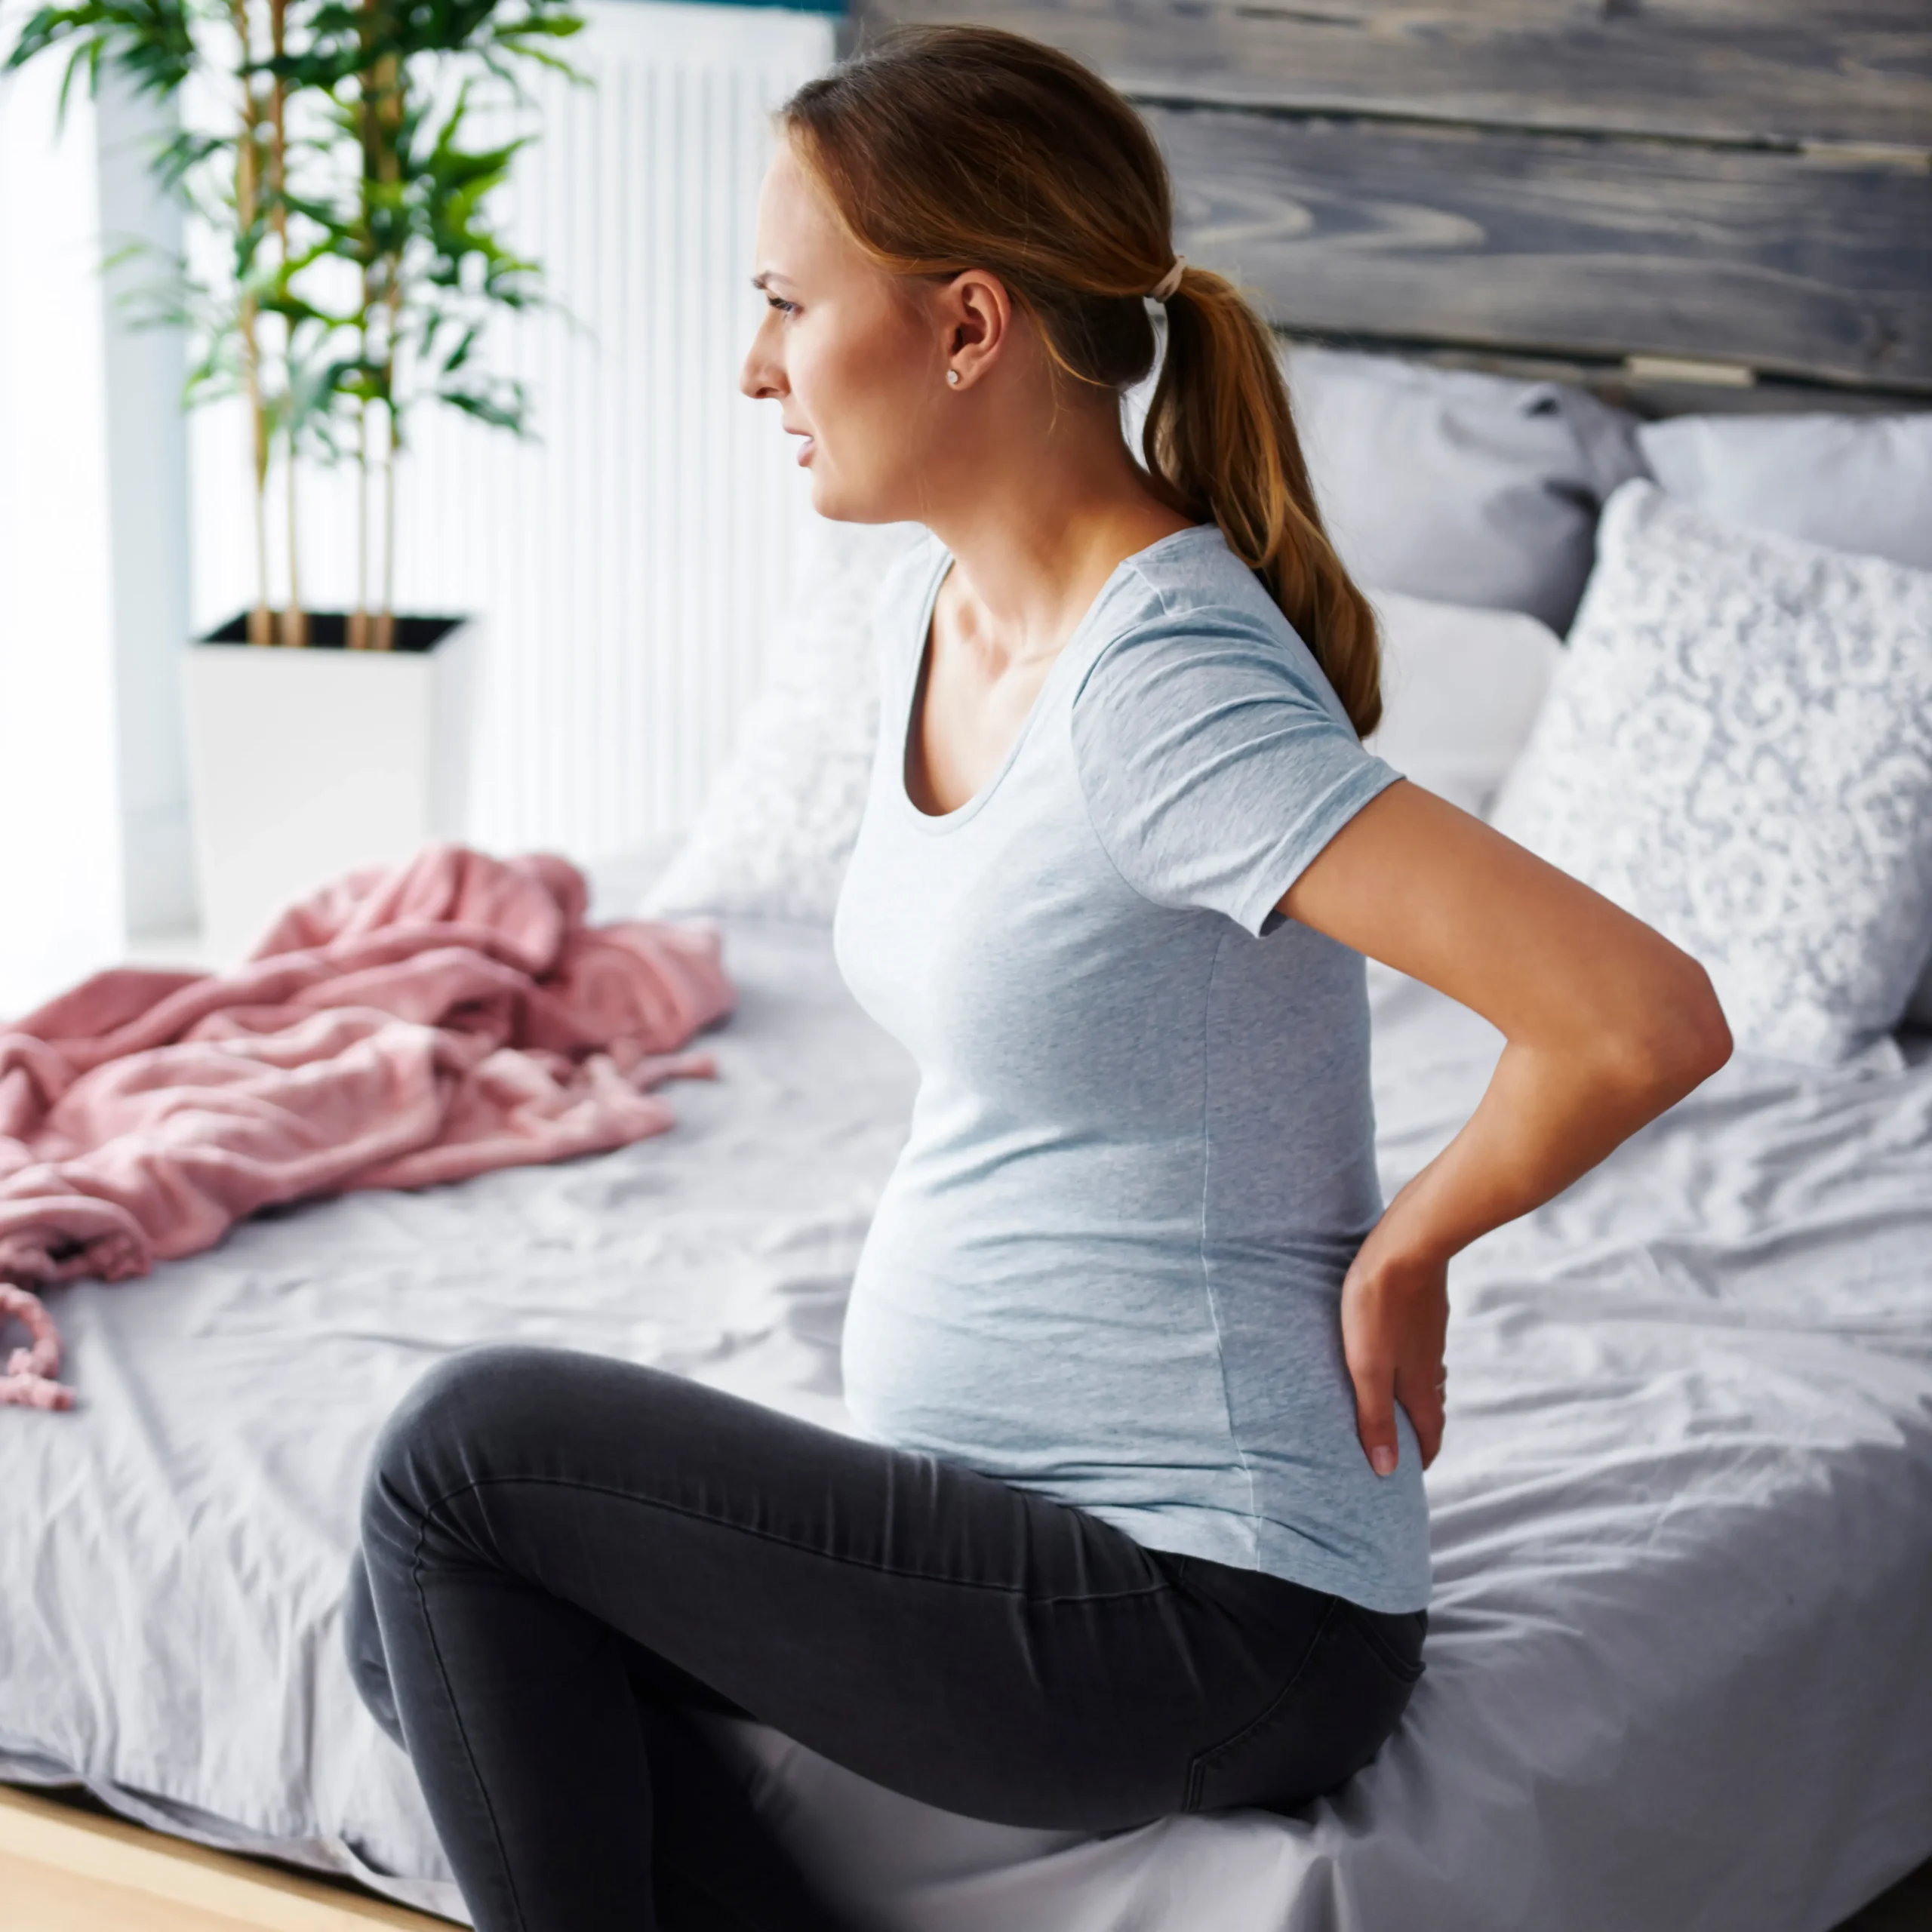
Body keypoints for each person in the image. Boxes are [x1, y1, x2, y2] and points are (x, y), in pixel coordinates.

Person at [342, 25, 1732, 1930]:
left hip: (1214, 1598)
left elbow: (1633, 1011)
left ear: (968, 324)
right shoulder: (952, 610)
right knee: (413, 1615)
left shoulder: (1164, 682)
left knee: (457, 1459)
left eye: (781, 303)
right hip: (1029, 1537)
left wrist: (1409, 1247)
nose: (751, 363)